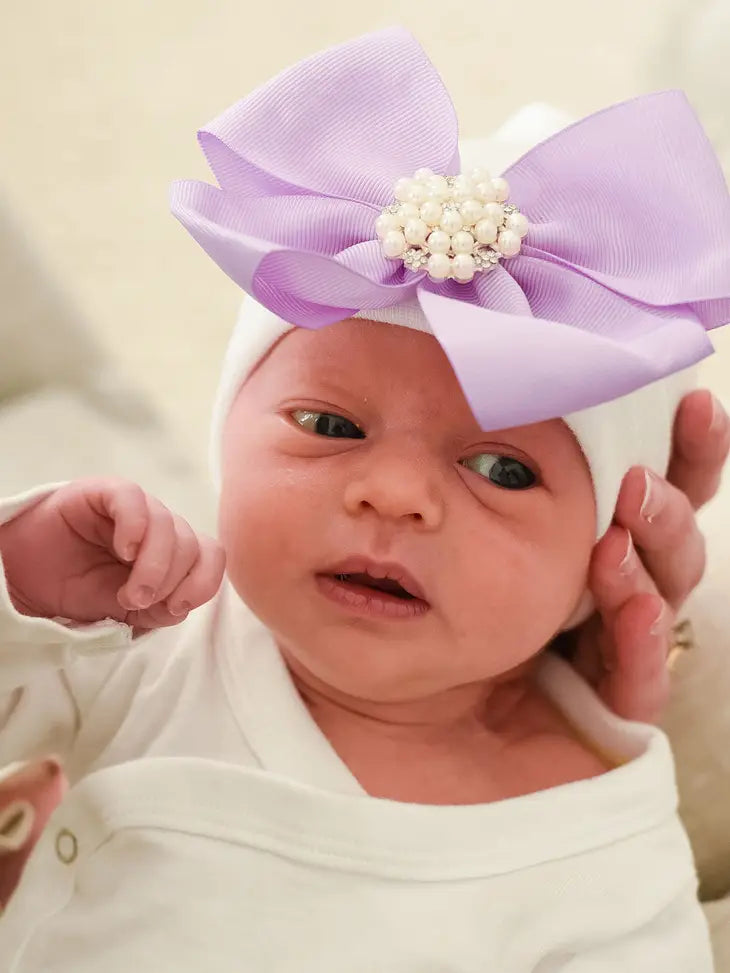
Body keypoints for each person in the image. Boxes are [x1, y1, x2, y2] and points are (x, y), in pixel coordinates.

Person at [0, 26, 728, 972]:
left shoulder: (598, 837)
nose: (390, 493)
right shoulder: (151, 643)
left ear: (608, 559)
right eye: (330, 425)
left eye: (502, 469)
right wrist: (26, 578)